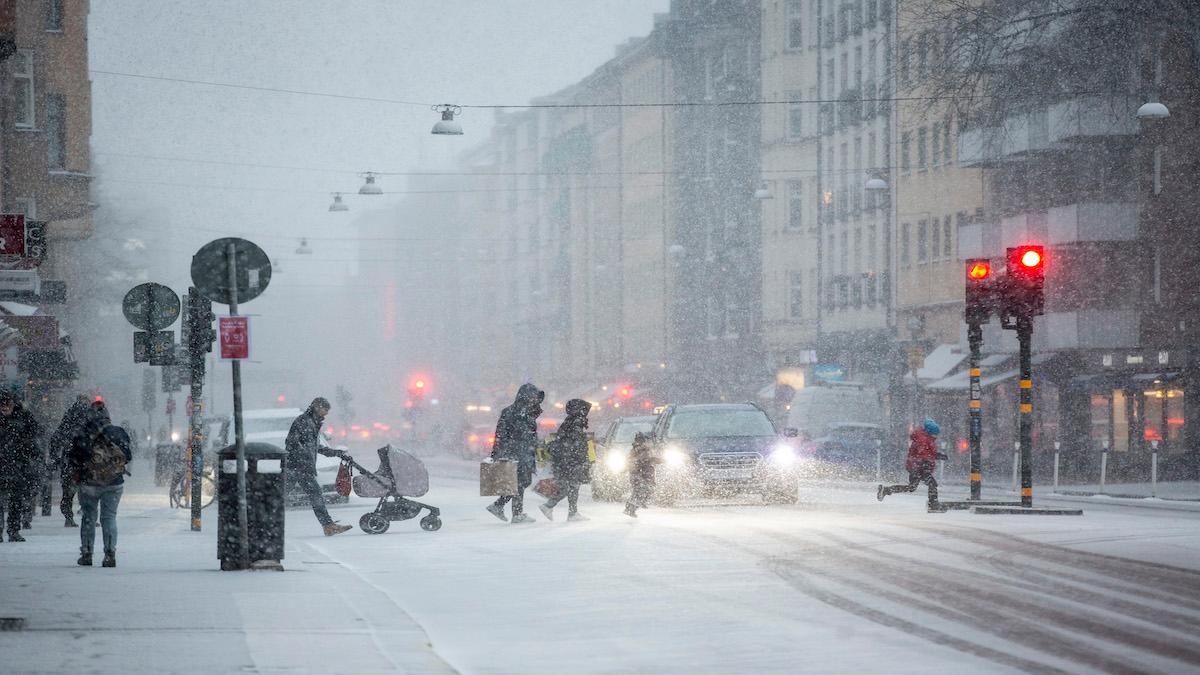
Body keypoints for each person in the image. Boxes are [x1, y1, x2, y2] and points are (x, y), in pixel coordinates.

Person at [285, 397, 352, 536]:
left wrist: (337, 453)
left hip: (302, 467)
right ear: (317, 407)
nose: (326, 413)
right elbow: (291, 442)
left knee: (286, 495)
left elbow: (317, 448)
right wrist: (302, 457)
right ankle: (328, 526)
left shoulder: (313, 423)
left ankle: (328, 526)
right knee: (313, 495)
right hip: (297, 466)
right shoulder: (303, 421)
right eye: (325, 409)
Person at [69, 423, 132, 567]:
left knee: (88, 517)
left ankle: (87, 553)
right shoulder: (118, 433)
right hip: (114, 483)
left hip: (89, 484)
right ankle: (110, 554)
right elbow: (128, 456)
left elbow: (73, 458)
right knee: (109, 517)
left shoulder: (83, 434)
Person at [486, 383, 544, 524]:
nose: (534, 400)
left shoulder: (524, 412)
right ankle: (516, 513)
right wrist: (500, 452)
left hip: (521, 452)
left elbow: (527, 435)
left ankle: (499, 505)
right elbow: (506, 434)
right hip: (516, 453)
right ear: (526, 396)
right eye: (533, 397)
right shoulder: (517, 412)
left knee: (521, 482)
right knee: (520, 482)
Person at [878, 418, 948, 512]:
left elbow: (927, 453)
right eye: (935, 434)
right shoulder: (923, 440)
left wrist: (937, 455)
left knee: (911, 487)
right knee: (932, 484)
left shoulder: (925, 438)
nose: (936, 436)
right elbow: (923, 455)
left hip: (917, 467)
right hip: (920, 467)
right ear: (930, 432)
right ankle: (933, 505)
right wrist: (929, 463)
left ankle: (886, 490)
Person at [539, 399, 592, 522]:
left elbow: (566, 441)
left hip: (565, 460)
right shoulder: (576, 422)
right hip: (571, 461)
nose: (586, 413)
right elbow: (575, 443)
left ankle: (551, 507)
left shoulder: (569, 421)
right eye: (584, 410)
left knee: (568, 487)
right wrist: (581, 457)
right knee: (573, 486)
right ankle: (570, 513)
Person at [0, 392, 42, 542]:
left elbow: (34, 438)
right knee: (13, 501)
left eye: (7, 404)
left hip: (17, 466)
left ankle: (13, 530)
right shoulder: (22, 419)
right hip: (14, 466)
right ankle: (9, 531)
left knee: (16, 501)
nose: (4, 407)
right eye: (2, 405)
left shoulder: (23, 418)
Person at [49, 395, 92, 527]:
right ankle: (88, 515)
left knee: (68, 490)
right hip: (85, 459)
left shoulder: (68, 420)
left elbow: (56, 439)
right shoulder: (89, 419)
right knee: (87, 489)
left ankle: (69, 517)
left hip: (70, 459)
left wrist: (55, 457)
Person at [624, 432, 661, 518]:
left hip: (644, 475)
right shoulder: (640, 450)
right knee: (640, 491)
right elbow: (644, 460)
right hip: (640, 475)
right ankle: (630, 508)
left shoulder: (644, 450)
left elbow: (651, 459)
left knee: (642, 491)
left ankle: (635, 506)